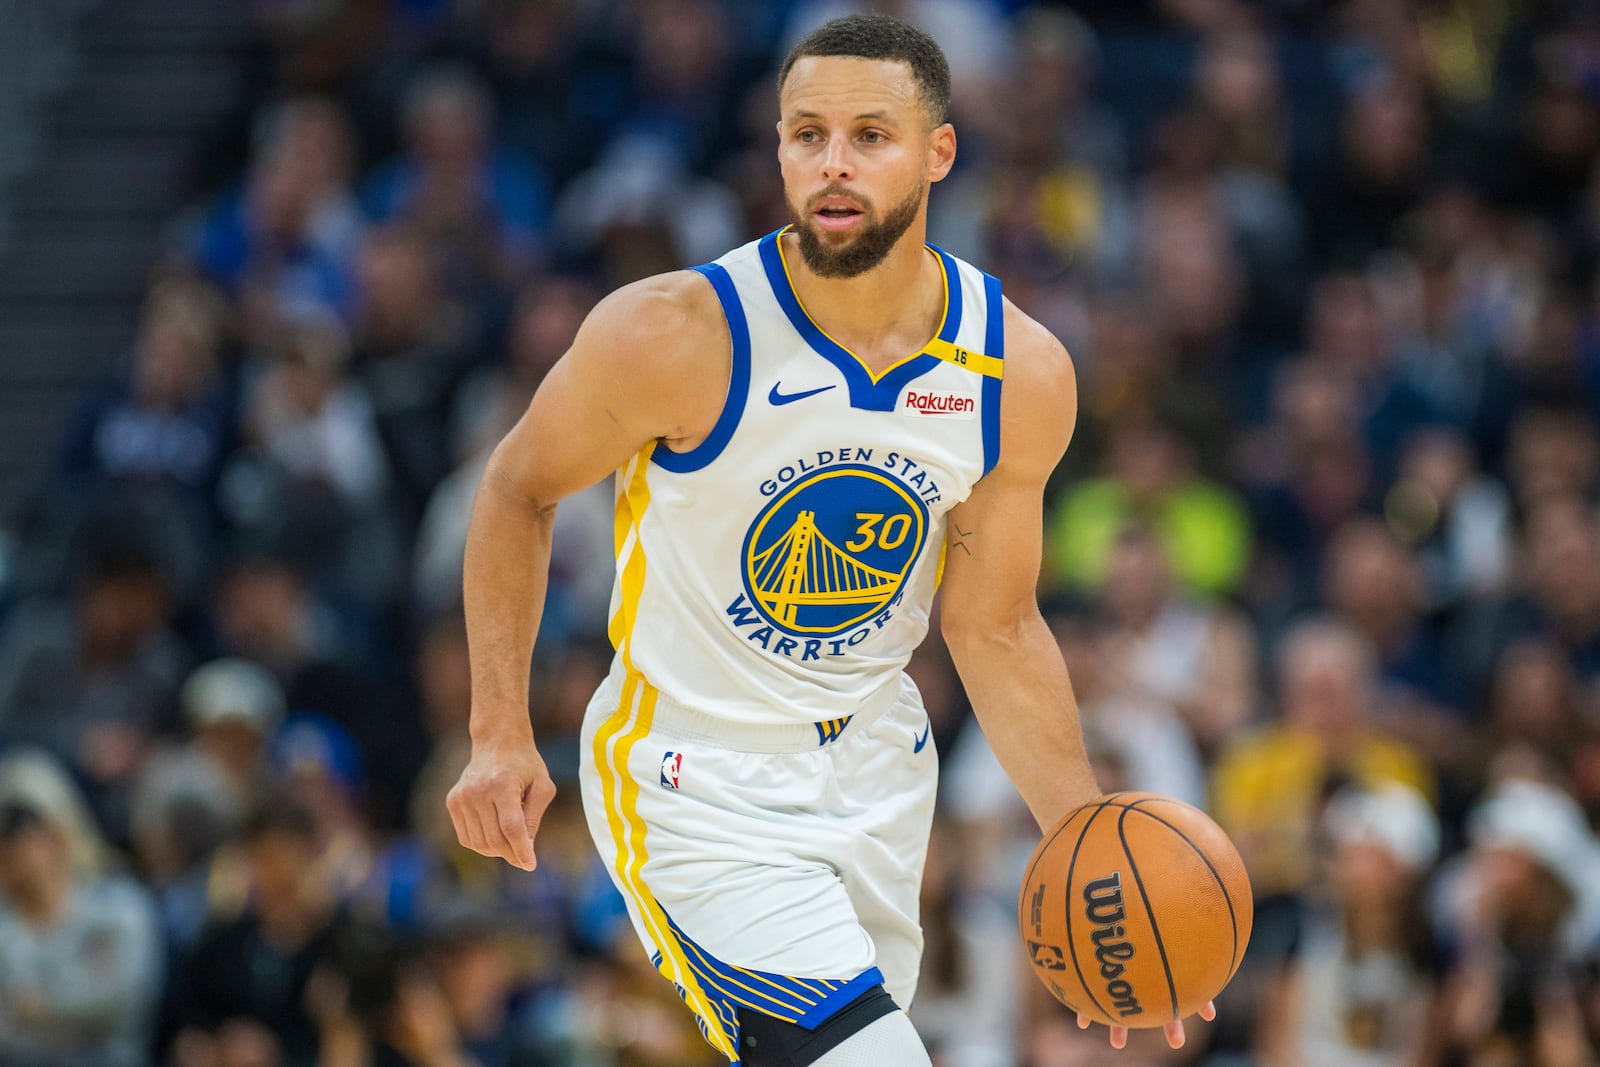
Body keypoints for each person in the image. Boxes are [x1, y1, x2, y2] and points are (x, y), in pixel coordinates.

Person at [446, 15, 1211, 1065]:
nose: (833, 164)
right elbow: (515, 489)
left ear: (938, 152)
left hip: (877, 771)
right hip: (691, 777)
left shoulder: (1011, 371)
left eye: (869, 135)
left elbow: (992, 624)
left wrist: (1085, 840)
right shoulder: (674, 333)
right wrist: (496, 727)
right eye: (806, 134)